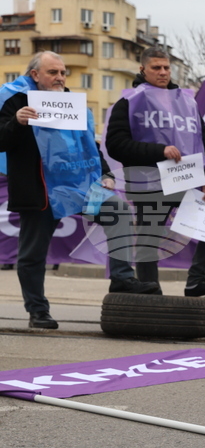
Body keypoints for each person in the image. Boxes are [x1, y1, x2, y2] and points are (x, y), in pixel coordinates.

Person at [0, 52, 160, 329]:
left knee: (118, 210)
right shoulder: (15, 100)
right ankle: (38, 311)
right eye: (53, 72)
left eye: (63, 73)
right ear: (35, 75)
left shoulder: (71, 101)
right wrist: (16, 122)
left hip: (80, 185)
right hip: (40, 189)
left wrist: (105, 173)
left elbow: (88, 144)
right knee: (33, 254)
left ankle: (122, 278)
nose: (60, 78)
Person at [106, 47, 205, 297]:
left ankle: (196, 281)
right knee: (149, 238)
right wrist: (159, 151)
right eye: (156, 68)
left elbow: (204, 143)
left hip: (186, 178)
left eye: (166, 67)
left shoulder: (187, 102)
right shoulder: (129, 102)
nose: (163, 72)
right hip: (148, 182)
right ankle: (151, 294)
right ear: (143, 69)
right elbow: (116, 145)